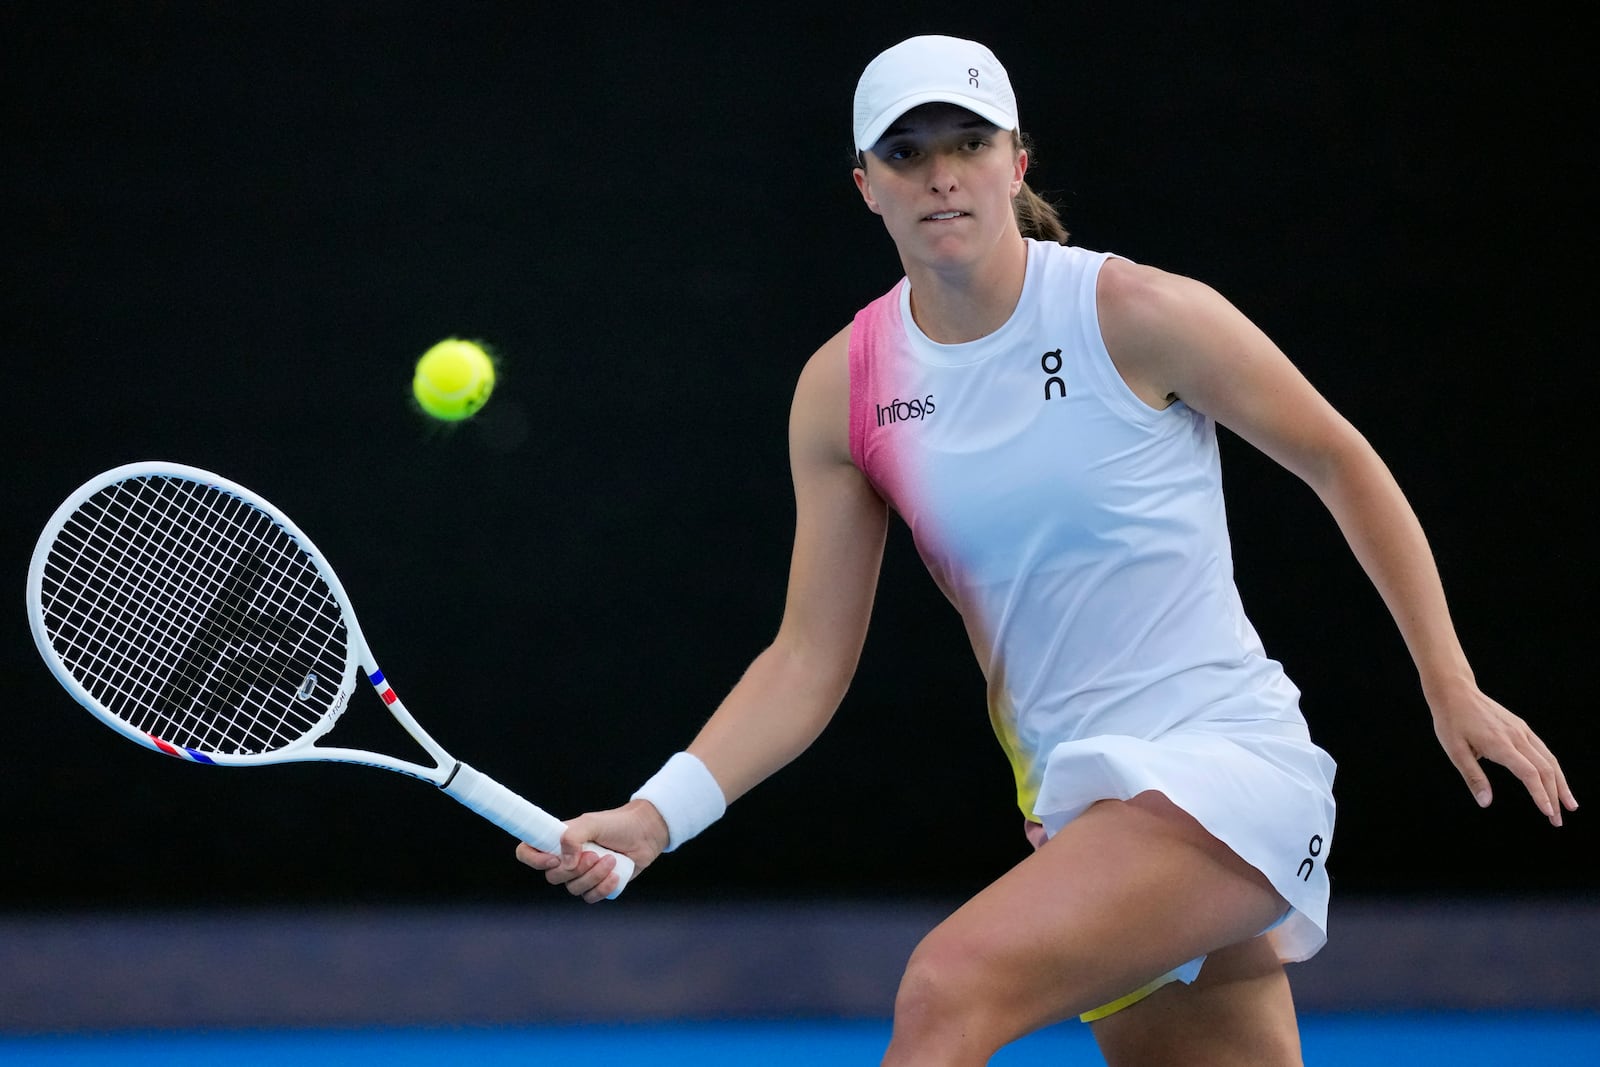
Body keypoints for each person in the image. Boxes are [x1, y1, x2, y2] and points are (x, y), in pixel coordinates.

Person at [518, 34, 1576, 1065]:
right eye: (906, 153)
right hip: (1078, 806)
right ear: (864, 186)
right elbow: (806, 660)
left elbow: (1339, 461)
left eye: (968, 145)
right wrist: (658, 813)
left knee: (947, 985)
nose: (941, 177)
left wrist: (1450, 682)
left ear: (1015, 162)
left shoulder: (1138, 313)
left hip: (1227, 763)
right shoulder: (844, 389)